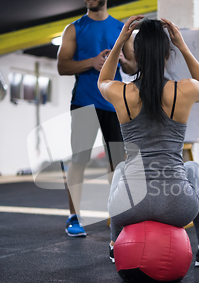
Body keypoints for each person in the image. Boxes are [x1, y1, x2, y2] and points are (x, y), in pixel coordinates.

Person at [98, 17, 199, 267]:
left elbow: (102, 82)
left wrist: (120, 41)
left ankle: (113, 246)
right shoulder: (182, 90)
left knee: (121, 168)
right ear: (167, 53)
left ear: (136, 54)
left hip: (128, 206)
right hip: (177, 206)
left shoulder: (123, 92)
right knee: (194, 168)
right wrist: (182, 46)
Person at [57, 0, 137, 237]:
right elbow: (62, 66)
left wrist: (122, 60)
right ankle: (74, 217)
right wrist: (91, 62)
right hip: (84, 101)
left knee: (117, 162)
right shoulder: (74, 28)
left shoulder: (120, 29)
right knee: (79, 160)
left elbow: (134, 67)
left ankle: (117, 213)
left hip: (113, 102)